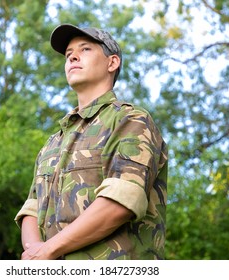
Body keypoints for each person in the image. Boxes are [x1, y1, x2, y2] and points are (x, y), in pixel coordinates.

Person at [15, 23, 168, 260]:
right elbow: (31, 209)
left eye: (85, 49)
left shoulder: (130, 120)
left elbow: (119, 203)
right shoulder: (53, 142)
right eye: (68, 55)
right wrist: (35, 254)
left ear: (112, 62)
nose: (73, 56)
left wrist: (47, 250)